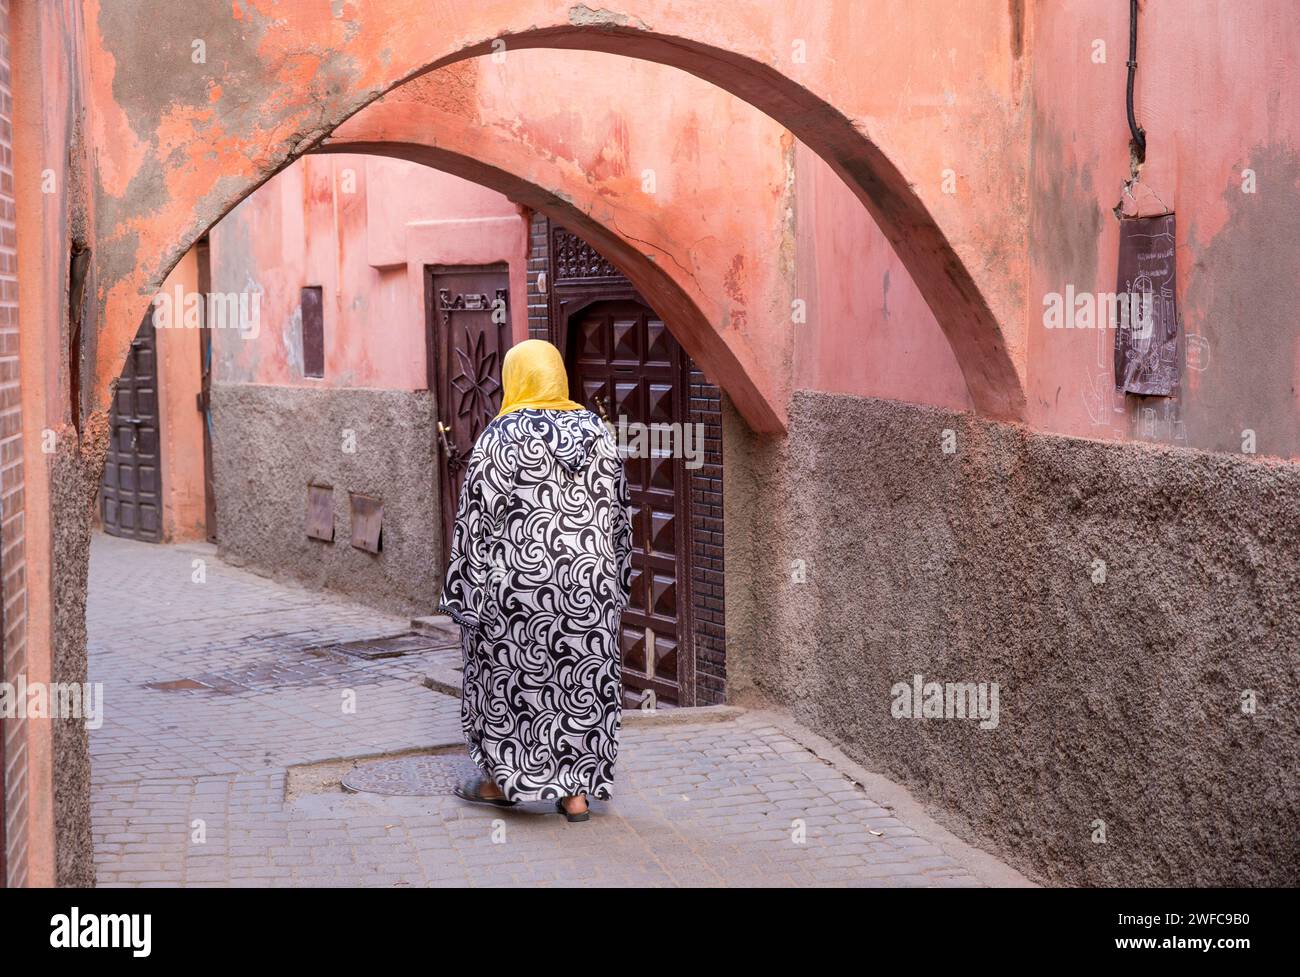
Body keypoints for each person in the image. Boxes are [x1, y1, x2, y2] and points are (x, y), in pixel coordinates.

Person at [439, 339, 632, 822]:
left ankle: (499, 782)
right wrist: (617, 579)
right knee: (580, 684)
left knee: (510, 684)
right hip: (587, 586)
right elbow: (618, 516)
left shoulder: (498, 438)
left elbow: (474, 521)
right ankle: (576, 797)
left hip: (516, 588)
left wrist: (463, 592)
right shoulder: (597, 432)